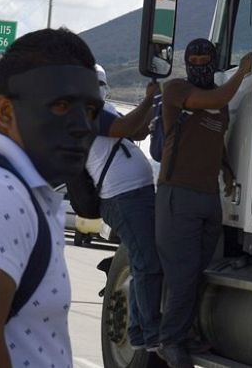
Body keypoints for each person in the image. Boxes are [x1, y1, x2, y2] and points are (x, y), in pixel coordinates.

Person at [0, 28, 102, 368]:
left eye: (90, 110)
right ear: (5, 112)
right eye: (61, 105)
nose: (82, 126)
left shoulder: (16, 190)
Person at [155, 39, 252, 368]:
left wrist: (226, 170)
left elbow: (215, 138)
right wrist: (242, 73)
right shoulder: (176, 90)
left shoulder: (219, 104)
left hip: (208, 197)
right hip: (177, 195)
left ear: (212, 61)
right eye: (193, 58)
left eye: (205, 57)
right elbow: (218, 97)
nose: (199, 62)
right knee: (183, 276)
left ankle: (187, 333)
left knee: (199, 274)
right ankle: (170, 341)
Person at [88, 63, 162, 352]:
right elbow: (125, 128)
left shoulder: (103, 112)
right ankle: (150, 333)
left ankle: (139, 330)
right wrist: (147, 100)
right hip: (123, 197)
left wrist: (152, 104)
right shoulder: (88, 113)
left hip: (134, 195)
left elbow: (139, 132)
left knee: (141, 261)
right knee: (146, 263)